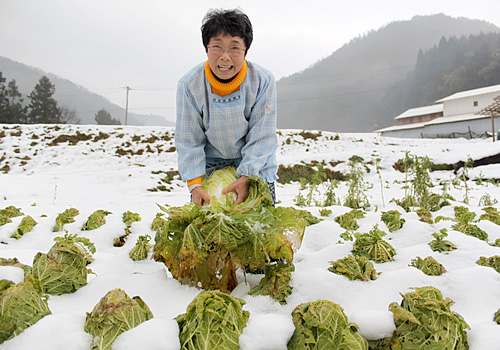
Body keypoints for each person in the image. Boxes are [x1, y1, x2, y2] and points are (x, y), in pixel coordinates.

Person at [175, 8, 278, 206]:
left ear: (245, 50)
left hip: (255, 165)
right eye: (217, 47)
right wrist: (195, 184)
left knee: (262, 228)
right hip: (211, 164)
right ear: (206, 48)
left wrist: (247, 176)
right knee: (209, 230)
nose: (225, 56)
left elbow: (262, 136)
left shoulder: (263, 81)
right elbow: (189, 140)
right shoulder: (189, 85)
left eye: (234, 48)